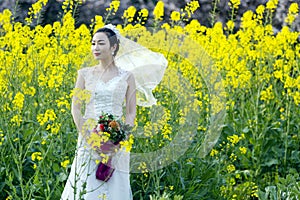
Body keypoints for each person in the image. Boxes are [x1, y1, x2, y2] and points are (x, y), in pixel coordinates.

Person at [61, 26, 136, 200]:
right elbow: (76, 108)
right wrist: (88, 137)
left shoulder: (128, 77)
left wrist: (120, 138)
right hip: (88, 137)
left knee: (116, 187)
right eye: (93, 43)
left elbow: (131, 113)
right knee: (86, 187)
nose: (95, 47)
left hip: (117, 141)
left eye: (101, 43)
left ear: (113, 47)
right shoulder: (84, 74)